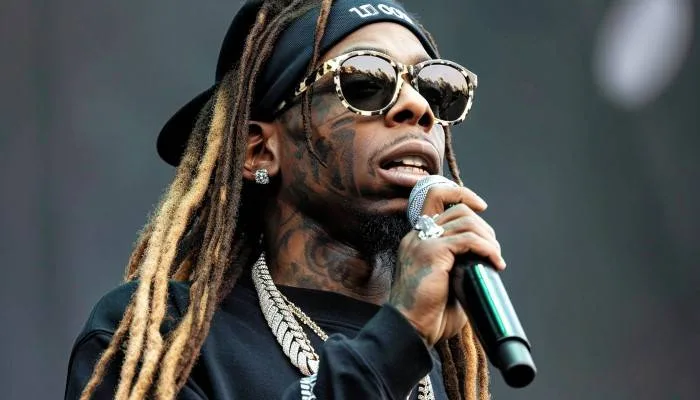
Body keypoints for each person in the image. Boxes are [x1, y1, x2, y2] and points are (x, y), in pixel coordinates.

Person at [65, 0, 505, 399]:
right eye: (366, 81)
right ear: (259, 151)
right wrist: (397, 340)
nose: (418, 107)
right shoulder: (159, 340)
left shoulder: (446, 374)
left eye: (435, 88)